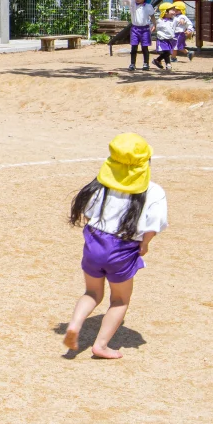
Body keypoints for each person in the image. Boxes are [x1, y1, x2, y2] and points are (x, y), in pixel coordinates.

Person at [63, 133, 167, 360]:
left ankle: (74, 324)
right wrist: (145, 244)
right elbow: (153, 225)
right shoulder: (154, 191)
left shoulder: (101, 186)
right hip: (122, 248)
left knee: (92, 292)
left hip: (94, 242)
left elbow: (89, 215)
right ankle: (100, 345)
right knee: (119, 300)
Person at [126, 0, 153, 71]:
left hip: (145, 29)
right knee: (134, 46)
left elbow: (152, 16)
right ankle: (132, 64)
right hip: (135, 28)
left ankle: (146, 64)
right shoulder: (132, 4)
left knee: (145, 47)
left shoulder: (148, 6)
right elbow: (123, 1)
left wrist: (154, 24)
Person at [151, 7, 178, 72]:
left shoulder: (173, 19)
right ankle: (168, 64)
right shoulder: (160, 21)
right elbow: (155, 24)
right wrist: (154, 26)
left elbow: (179, 20)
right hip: (162, 39)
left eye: (174, 10)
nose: (174, 12)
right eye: (172, 10)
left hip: (169, 39)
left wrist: (183, 20)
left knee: (168, 52)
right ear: (165, 12)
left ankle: (157, 60)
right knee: (166, 51)